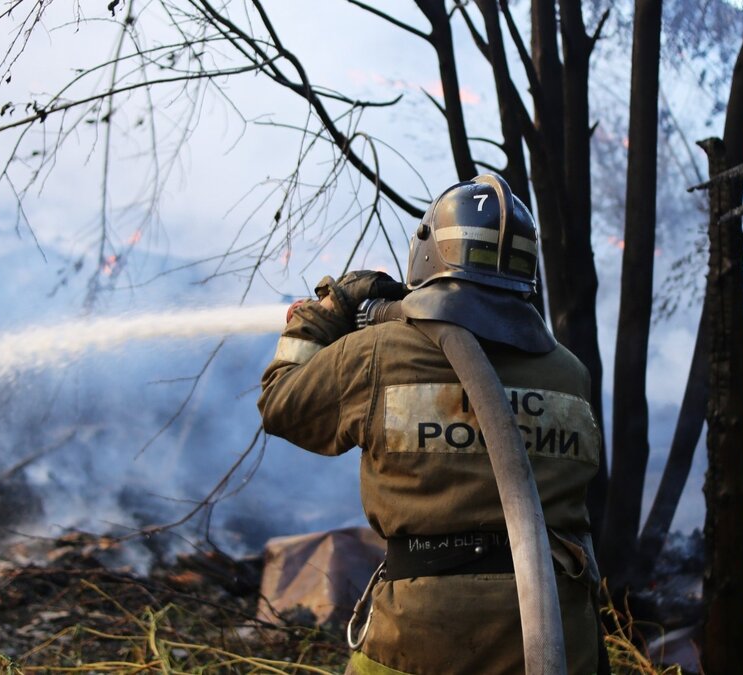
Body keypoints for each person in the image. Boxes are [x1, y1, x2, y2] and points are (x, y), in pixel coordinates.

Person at [258, 174, 602, 675]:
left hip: (424, 635)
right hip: (555, 635)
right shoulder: (571, 374)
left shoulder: (376, 354)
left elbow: (279, 403)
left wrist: (322, 316)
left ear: (429, 254)